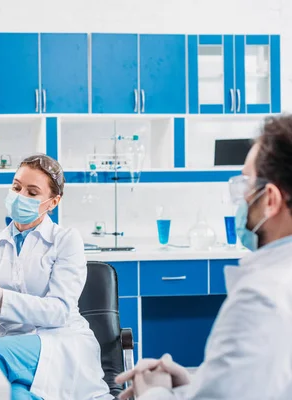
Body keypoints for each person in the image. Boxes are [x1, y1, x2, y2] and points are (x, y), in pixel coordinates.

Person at [115, 114, 292, 400]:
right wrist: (192, 384)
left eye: (245, 184)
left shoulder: (261, 297)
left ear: (270, 199)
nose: (241, 199)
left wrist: (154, 391)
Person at [0, 154, 112, 400]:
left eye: (32, 192)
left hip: (61, 343)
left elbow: (59, 311)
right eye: (16, 187)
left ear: (52, 202)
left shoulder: (66, 240)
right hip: (16, 345)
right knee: (17, 396)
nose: (20, 197)